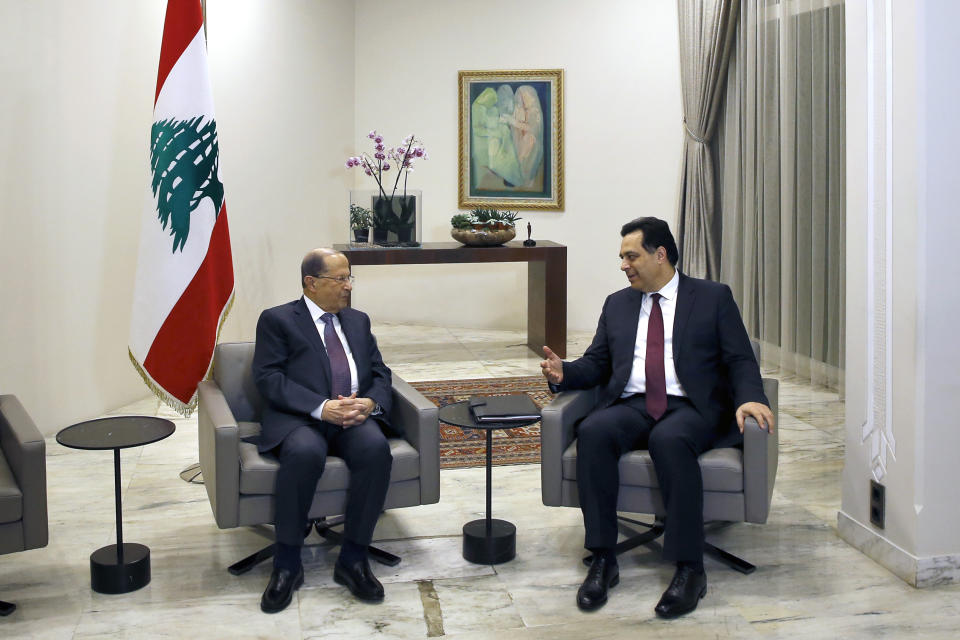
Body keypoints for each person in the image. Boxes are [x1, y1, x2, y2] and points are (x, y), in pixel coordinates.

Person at [539, 217, 774, 619]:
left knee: (670, 439)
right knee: (594, 430)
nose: (623, 265)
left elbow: (739, 359)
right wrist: (566, 373)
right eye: (622, 257)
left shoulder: (712, 297)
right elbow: (597, 363)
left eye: (631, 256)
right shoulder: (618, 303)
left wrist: (751, 397)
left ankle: (689, 569)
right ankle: (602, 557)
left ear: (660, 254)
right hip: (634, 402)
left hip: (691, 407)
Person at [252, 248, 396, 613]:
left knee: (375, 450)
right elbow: (268, 378)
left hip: (352, 415)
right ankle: (287, 564)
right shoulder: (278, 320)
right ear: (311, 283)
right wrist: (321, 407)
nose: (348, 286)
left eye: (350, 278)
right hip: (302, 417)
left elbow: (381, 373)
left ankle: (354, 558)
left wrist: (369, 403)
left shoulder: (358, 321)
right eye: (340, 279)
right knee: (304, 453)